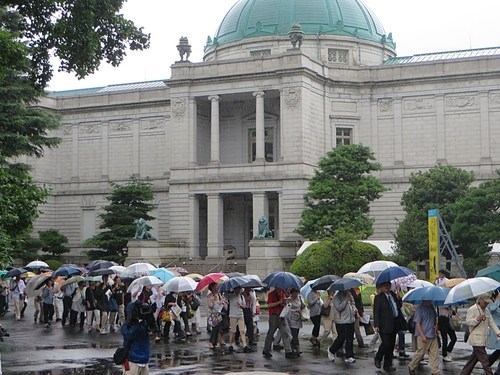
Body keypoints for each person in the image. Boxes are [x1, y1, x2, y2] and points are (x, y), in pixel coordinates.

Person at [460, 294, 500, 375]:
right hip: (476, 339)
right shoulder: (472, 309)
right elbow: (468, 322)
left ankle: (464, 373)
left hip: (483, 338)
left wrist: (498, 332)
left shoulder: (486, 311)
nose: (486, 304)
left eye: (487, 303)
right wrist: (477, 319)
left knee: (473, 359)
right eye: (485, 303)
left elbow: (491, 323)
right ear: (480, 301)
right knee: (485, 361)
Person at [373, 281, 406, 372]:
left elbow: (397, 306)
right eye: (385, 285)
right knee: (385, 343)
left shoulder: (393, 294)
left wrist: (399, 298)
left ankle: (388, 364)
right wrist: (376, 324)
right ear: (382, 287)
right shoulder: (379, 297)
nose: (387, 287)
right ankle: (378, 357)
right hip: (384, 324)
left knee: (391, 345)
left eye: (389, 285)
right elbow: (376, 312)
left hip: (394, 323)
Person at [262, 287, 297, 359]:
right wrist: (279, 302)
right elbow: (269, 305)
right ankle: (266, 349)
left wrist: (285, 302)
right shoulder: (271, 294)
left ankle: (288, 351)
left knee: (285, 333)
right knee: (271, 333)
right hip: (274, 315)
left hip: (282, 315)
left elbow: (283, 303)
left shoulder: (283, 293)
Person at [407, 299, 440, 375]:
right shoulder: (420, 309)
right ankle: (412, 366)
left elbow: (435, 320)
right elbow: (418, 324)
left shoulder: (432, 308)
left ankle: (435, 372)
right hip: (423, 335)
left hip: (432, 335)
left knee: (434, 354)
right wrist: (422, 336)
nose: (430, 300)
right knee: (420, 353)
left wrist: (436, 327)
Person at [327, 289, 358, 363]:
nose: (347, 290)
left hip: (350, 319)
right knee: (341, 338)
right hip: (341, 321)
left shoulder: (349, 294)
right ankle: (331, 350)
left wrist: (354, 310)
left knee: (350, 338)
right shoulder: (336, 297)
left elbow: (353, 303)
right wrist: (345, 300)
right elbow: (339, 308)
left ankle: (349, 356)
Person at [121, 301, 151, 374]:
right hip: (132, 360)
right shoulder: (126, 327)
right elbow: (130, 335)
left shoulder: (143, 324)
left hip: (144, 360)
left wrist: (150, 317)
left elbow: (154, 329)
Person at [227, 286, 250, 353]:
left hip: (240, 315)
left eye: (239, 289)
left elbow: (244, 306)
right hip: (233, 315)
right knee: (233, 331)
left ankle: (245, 345)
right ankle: (230, 344)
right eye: (237, 289)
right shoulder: (231, 296)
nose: (238, 291)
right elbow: (225, 298)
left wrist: (241, 305)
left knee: (242, 331)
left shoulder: (242, 297)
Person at [206, 283, 226, 349]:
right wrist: (214, 300)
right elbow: (210, 305)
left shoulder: (219, 294)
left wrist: (222, 302)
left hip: (218, 313)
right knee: (215, 328)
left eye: (216, 286)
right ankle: (211, 341)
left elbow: (222, 301)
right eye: (214, 286)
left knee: (218, 328)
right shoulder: (210, 295)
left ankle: (214, 341)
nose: (215, 287)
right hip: (212, 314)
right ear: (211, 287)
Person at [288, 288, 304, 356]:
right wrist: (294, 310)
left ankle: (293, 346)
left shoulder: (300, 298)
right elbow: (287, 308)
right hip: (291, 318)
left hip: (298, 318)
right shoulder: (289, 299)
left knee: (296, 333)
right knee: (293, 333)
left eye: (297, 293)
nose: (296, 294)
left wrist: (301, 309)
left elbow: (303, 306)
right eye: (295, 293)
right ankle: (297, 347)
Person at [487, 290, 500, 374]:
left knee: (499, 350)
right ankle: (487, 364)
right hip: (495, 330)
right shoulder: (492, 303)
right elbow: (491, 309)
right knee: (499, 350)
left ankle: (488, 364)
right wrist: (497, 300)